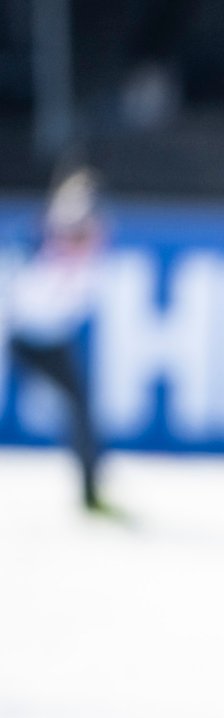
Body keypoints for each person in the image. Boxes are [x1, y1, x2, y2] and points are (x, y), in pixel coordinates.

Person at [7, 168, 106, 511]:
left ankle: (90, 492)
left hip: (54, 342)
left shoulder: (85, 247)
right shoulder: (39, 245)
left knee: (82, 411)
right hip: (22, 338)